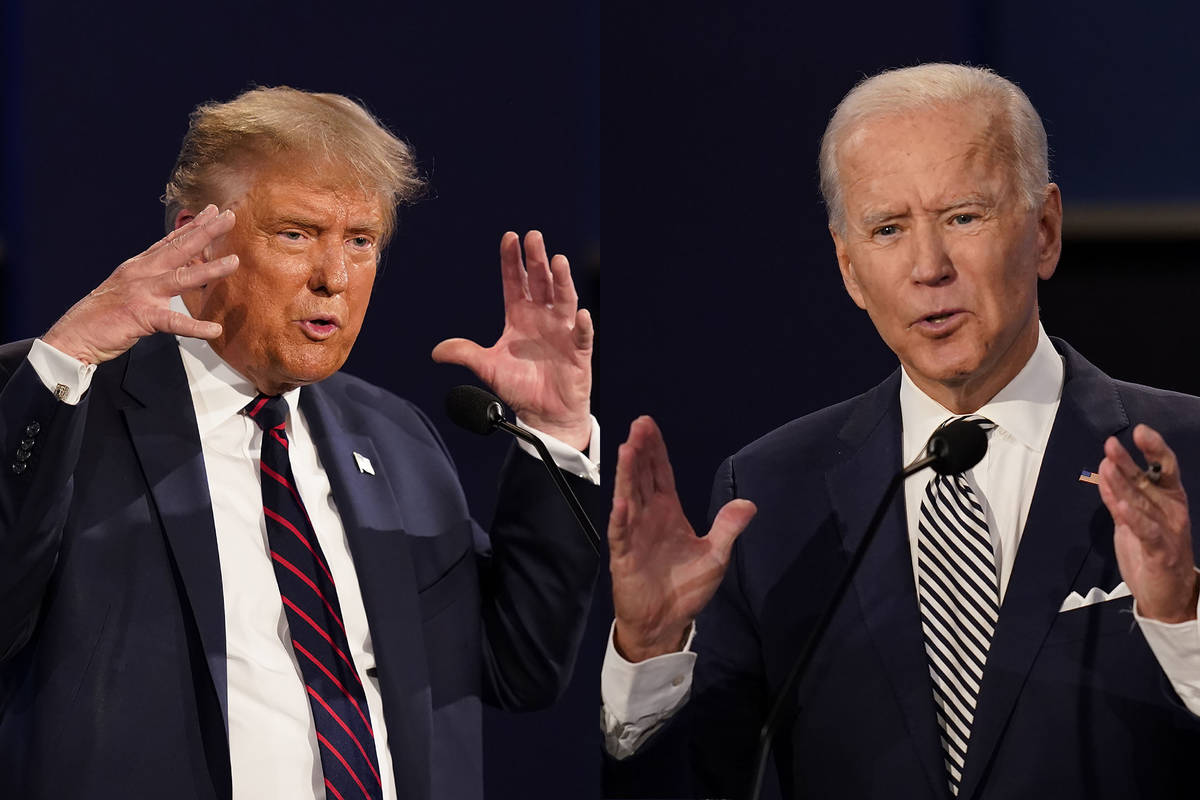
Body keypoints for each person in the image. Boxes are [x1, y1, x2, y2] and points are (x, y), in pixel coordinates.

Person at [601, 63, 1200, 799]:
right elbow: (701, 782)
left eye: (963, 217)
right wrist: (651, 652)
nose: (928, 267)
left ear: (1044, 231)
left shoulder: (1185, 459)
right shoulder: (770, 496)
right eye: (889, 230)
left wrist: (1181, 619)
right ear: (850, 270)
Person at [0, 87, 601, 800]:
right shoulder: (55, 396)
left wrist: (555, 434)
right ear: (195, 238)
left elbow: (518, 668)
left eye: (360, 241)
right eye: (296, 233)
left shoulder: (395, 438)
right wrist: (66, 357)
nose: (334, 278)